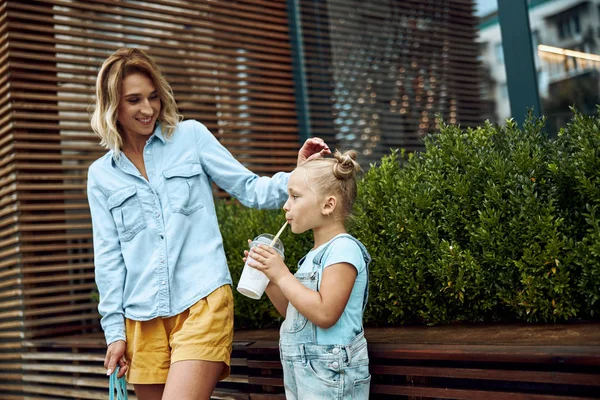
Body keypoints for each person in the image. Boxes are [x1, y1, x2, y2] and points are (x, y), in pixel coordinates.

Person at [87, 47, 330, 400]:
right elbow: (108, 259)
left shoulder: (191, 137)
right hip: (141, 318)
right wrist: (114, 332)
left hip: (202, 300)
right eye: (134, 100)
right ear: (112, 107)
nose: (147, 109)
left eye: (153, 97)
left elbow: (249, 188)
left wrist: (298, 175)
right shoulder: (100, 176)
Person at [244, 150, 372, 399]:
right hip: (302, 371)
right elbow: (295, 313)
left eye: (294, 196)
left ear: (328, 204)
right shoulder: (311, 257)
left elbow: (324, 314)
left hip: (330, 374)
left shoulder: (343, 248)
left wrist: (282, 275)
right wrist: (270, 278)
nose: (285, 205)